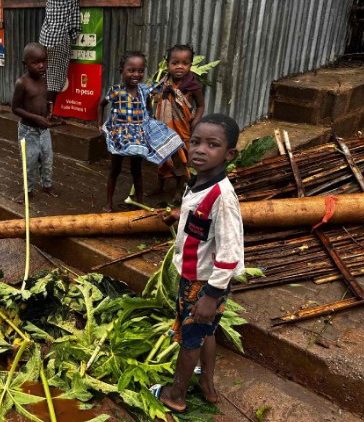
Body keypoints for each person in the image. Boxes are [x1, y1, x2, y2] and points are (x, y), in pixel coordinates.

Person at [151, 113, 244, 413]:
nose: (200, 149)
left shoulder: (222, 197)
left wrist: (212, 296)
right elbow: (203, 224)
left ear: (229, 154)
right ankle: (207, 384)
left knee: (190, 339)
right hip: (198, 279)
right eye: (196, 142)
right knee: (206, 333)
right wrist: (180, 217)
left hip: (203, 284)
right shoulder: (199, 182)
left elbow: (230, 252)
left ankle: (175, 394)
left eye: (212, 145)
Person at [97, 51, 183, 212]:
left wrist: (149, 123)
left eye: (140, 71)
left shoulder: (144, 90)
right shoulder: (116, 90)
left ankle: (139, 201)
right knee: (115, 169)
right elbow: (101, 104)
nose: (136, 74)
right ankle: (108, 203)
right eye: (131, 70)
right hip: (119, 136)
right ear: (121, 70)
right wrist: (100, 124)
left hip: (138, 137)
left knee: (136, 170)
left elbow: (150, 107)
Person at [151, 44, 206, 196]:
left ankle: (178, 191)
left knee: (182, 159)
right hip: (164, 129)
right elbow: (155, 99)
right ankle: (160, 187)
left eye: (185, 63)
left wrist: (195, 123)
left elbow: (201, 106)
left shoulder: (193, 85)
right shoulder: (163, 82)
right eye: (175, 63)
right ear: (167, 64)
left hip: (183, 129)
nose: (179, 67)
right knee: (162, 158)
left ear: (190, 65)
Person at [11, 43, 62, 199]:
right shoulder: (22, 83)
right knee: (29, 163)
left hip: (44, 131)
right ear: (25, 64)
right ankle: (28, 191)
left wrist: (49, 113)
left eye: (44, 61)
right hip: (28, 131)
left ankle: (47, 186)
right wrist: (37, 118)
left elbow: (45, 99)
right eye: (35, 62)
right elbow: (15, 108)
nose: (41, 66)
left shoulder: (44, 79)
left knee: (47, 160)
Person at [39, 0, 80, 109]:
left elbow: (46, 19)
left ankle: (42, 112)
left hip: (44, 40)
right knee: (54, 82)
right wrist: (74, 36)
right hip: (59, 40)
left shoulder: (49, 1)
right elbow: (74, 23)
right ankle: (47, 115)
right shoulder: (72, 1)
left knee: (45, 78)